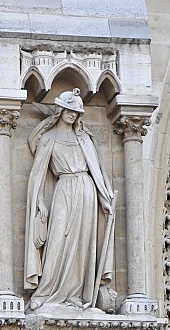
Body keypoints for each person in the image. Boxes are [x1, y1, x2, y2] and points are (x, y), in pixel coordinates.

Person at [24, 88, 115, 310]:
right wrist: (40, 204)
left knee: (82, 244)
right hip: (64, 189)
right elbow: (37, 175)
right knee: (57, 240)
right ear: (61, 109)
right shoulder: (48, 139)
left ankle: (75, 295)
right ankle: (46, 291)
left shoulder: (84, 139)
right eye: (69, 110)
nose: (73, 114)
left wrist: (104, 199)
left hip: (87, 191)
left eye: (76, 111)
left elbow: (97, 171)